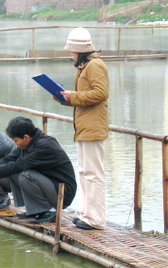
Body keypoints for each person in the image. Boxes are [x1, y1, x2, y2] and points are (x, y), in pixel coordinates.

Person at [0, 117, 77, 223]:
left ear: (26, 137)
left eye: (16, 141)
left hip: (62, 194)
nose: (15, 144)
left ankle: (48, 211)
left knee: (25, 175)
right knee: (12, 170)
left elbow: (19, 165)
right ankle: (33, 210)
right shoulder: (27, 144)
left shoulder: (45, 145)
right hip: (50, 186)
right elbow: (8, 159)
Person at [59, 27, 109, 230]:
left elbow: (100, 93)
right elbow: (85, 96)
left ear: (79, 50)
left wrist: (74, 96)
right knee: (85, 172)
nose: (70, 53)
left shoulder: (94, 66)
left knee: (93, 173)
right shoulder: (85, 66)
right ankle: (87, 214)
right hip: (84, 126)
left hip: (92, 127)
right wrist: (65, 98)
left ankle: (96, 218)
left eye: (72, 50)